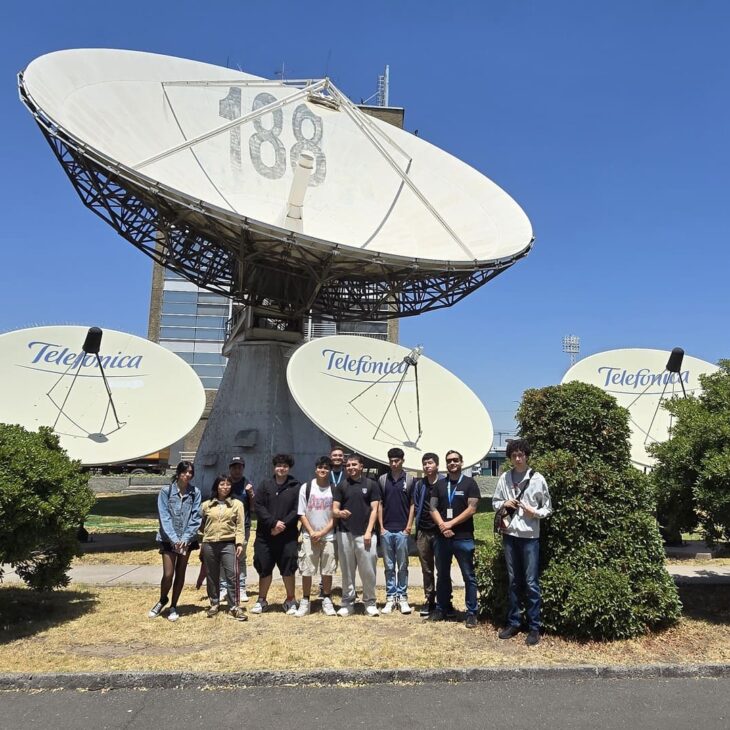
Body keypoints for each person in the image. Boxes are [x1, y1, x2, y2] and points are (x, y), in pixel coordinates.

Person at [492, 438, 552, 646]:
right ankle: (514, 622)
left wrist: (533, 512)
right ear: (510, 457)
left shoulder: (538, 479)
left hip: (529, 538)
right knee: (514, 581)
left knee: (531, 583)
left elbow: (548, 508)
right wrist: (504, 503)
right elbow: (495, 502)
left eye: (521, 455)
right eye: (514, 455)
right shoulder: (505, 478)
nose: (517, 458)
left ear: (526, 456)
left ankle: (534, 627)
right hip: (510, 535)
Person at [428, 449, 480, 628]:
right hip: (442, 538)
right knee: (442, 575)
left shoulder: (470, 483)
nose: (452, 463)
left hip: (463, 537)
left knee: (468, 576)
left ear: (461, 462)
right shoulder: (440, 485)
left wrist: (451, 524)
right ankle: (442, 608)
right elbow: (432, 508)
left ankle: (471, 612)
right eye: (449, 461)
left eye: (455, 460)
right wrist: (443, 525)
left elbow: (471, 508)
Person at [149, 461, 202, 622]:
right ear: (178, 473)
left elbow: (196, 516)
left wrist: (185, 538)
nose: (188, 475)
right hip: (168, 539)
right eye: (185, 472)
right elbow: (164, 517)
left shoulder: (195, 492)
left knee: (180, 572)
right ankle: (162, 599)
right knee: (168, 573)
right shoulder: (166, 491)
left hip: (186, 539)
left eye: (190, 472)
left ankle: (173, 605)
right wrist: (174, 539)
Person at [251, 454, 301, 615]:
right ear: (274, 467)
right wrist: (273, 523)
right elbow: (258, 506)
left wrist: (282, 525)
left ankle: (290, 599)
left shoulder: (296, 486)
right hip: (265, 536)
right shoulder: (266, 485)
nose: (282, 468)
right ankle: (261, 600)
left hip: (287, 536)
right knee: (264, 567)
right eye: (279, 465)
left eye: (285, 466)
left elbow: (297, 509)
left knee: (288, 568)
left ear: (289, 468)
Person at [333, 453, 381, 617]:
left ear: (361, 466)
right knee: (347, 570)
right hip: (345, 533)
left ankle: (370, 602)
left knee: (368, 570)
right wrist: (339, 513)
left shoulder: (371, 484)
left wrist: (368, 531)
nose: (351, 468)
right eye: (349, 465)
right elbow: (334, 509)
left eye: (354, 465)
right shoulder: (341, 486)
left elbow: (375, 509)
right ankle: (347, 602)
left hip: (365, 534)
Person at [295, 456, 338, 617]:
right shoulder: (306, 488)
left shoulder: (334, 489)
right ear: (316, 469)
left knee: (327, 570)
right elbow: (301, 513)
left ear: (330, 470)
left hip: (328, 536)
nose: (323, 470)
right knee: (307, 569)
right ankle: (305, 600)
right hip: (309, 535)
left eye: (326, 468)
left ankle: (326, 598)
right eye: (320, 467)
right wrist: (312, 532)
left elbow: (335, 516)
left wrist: (322, 532)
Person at [200, 475, 247, 621]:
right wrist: (202, 539)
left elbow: (240, 526)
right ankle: (214, 603)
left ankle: (234, 606)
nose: (225, 487)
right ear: (216, 486)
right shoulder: (207, 505)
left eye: (228, 484)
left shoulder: (237, 504)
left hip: (228, 543)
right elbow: (200, 524)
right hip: (210, 543)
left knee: (232, 574)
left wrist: (239, 543)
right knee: (212, 575)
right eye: (222, 484)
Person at [378, 447, 415, 614]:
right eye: (391, 461)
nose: (394, 463)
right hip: (387, 529)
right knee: (388, 565)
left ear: (402, 461)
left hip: (402, 530)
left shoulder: (410, 480)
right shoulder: (382, 479)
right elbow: (379, 504)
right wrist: (381, 527)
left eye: (397, 461)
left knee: (403, 565)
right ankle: (390, 597)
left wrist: (408, 527)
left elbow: (412, 505)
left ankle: (403, 597)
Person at [413, 452, 441, 617]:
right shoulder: (420, 485)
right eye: (425, 463)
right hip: (423, 531)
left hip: (439, 532)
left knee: (442, 569)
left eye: (430, 463)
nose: (427, 466)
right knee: (427, 569)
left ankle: (444, 601)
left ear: (436, 465)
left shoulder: (445, 483)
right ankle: (429, 600)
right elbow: (416, 505)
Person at [227, 456, 255, 601]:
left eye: (239, 467)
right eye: (234, 467)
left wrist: (251, 495)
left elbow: (253, 508)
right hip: (226, 527)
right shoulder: (225, 483)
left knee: (241, 557)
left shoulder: (247, 483)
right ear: (230, 468)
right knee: (225, 558)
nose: (237, 470)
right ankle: (224, 587)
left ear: (243, 468)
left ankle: (241, 587)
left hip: (243, 527)